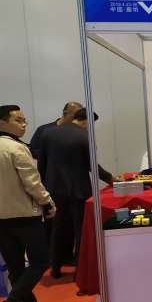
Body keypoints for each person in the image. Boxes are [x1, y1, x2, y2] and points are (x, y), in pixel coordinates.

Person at [0, 105, 56, 302]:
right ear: (2, 123)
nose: (24, 124)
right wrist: (47, 203)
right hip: (24, 215)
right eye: (18, 120)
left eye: (24, 120)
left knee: (16, 268)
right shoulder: (17, 148)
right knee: (40, 261)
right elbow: (32, 182)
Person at [39, 108, 114, 278]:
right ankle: (79, 271)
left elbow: (42, 164)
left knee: (58, 228)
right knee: (80, 229)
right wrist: (110, 179)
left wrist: (43, 188)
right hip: (79, 190)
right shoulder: (84, 136)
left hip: (54, 189)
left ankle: (55, 268)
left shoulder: (48, 133)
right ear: (85, 120)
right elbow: (92, 165)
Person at [29, 101, 82, 257]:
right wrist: (53, 152)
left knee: (71, 223)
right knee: (53, 222)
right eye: (76, 115)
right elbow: (32, 150)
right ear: (65, 113)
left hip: (73, 184)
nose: (78, 119)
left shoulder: (78, 131)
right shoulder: (45, 130)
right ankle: (52, 256)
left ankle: (68, 255)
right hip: (51, 184)